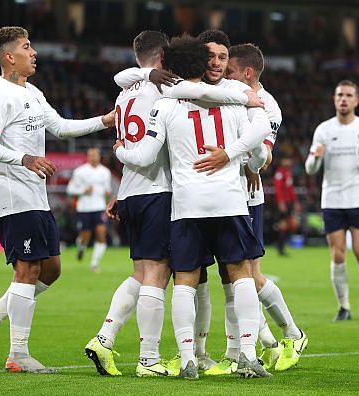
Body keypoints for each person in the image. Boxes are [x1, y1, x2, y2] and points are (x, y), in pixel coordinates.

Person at [84, 30, 261, 378]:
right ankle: (247, 354)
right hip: (227, 200)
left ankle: (188, 359)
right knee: (238, 275)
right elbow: (257, 151)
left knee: (183, 279)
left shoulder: (159, 102)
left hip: (183, 203)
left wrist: (118, 150)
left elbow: (146, 153)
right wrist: (237, 158)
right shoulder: (235, 97)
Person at [0, 26, 114, 373]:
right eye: (27, 47)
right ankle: (18, 354)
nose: (34, 53)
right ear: (9, 57)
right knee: (27, 268)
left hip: (36, 196)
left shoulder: (32, 91)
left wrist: (103, 121)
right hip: (12, 196)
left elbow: (60, 127)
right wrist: (25, 158)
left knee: (52, 269)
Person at [190, 31, 308, 375]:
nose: (222, 74)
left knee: (247, 275)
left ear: (246, 73)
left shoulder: (266, 105)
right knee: (232, 276)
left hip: (247, 197)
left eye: (229, 69)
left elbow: (264, 157)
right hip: (223, 193)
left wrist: (248, 161)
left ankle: (290, 333)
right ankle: (255, 346)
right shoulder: (225, 94)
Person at [305, 79, 359, 321]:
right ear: (334, 99)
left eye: (348, 95)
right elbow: (310, 168)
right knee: (338, 255)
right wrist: (316, 158)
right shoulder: (323, 130)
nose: (343, 99)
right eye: (339, 95)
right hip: (332, 201)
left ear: (356, 100)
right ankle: (344, 307)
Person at [66, 148, 111, 273]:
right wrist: (83, 191)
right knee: (85, 236)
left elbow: (107, 189)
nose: (94, 158)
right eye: (91, 156)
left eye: (96, 155)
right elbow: (70, 189)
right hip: (84, 208)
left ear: (99, 157)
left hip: (100, 207)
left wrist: (107, 194)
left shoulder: (105, 172)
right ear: (87, 157)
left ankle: (94, 264)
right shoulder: (80, 171)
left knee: (101, 234)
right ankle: (81, 247)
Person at [273, 155, 300, 256]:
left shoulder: (288, 172)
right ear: (282, 161)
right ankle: (280, 247)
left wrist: (296, 202)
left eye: (289, 159)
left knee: (288, 225)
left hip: (289, 202)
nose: (288, 161)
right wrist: (280, 202)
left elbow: (291, 189)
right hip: (283, 202)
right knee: (284, 224)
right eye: (286, 159)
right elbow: (278, 189)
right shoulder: (280, 173)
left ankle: (281, 247)